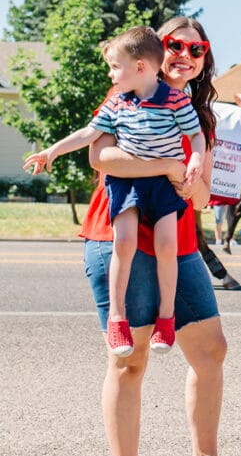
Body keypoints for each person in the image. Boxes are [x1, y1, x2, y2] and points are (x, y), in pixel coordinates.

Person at [75, 17, 241, 456]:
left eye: (197, 49)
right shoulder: (127, 89)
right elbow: (101, 157)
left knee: (210, 349)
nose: (185, 55)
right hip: (118, 237)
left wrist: (185, 173)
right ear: (154, 53)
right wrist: (169, 167)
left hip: (179, 242)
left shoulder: (199, 114)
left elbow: (199, 192)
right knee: (131, 360)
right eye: (175, 46)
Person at [23, 26, 205, 356]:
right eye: (175, 45)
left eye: (196, 48)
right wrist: (52, 151)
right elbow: (91, 139)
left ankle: (167, 318)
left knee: (168, 245)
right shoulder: (118, 100)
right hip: (128, 184)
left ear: (140, 67)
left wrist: (193, 164)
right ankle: (117, 319)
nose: (110, 74)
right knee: (124, 242)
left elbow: (197, 138)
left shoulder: (179, 101)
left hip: (164, 189)